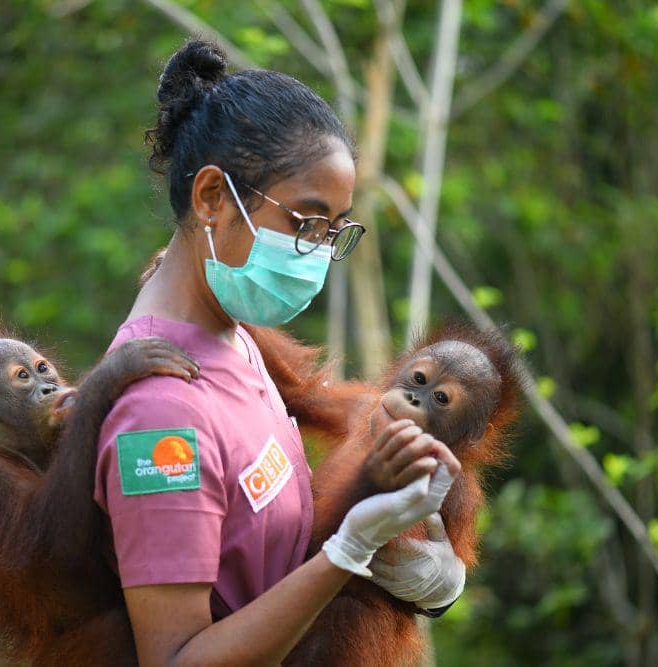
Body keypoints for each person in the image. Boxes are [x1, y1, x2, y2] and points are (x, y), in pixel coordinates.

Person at [93, 39, 465, 666]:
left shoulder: (234, 339)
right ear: (212, 198)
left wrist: (403, 546)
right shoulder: (159, 418)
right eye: (304, 223)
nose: (319, 251)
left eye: (333, 229)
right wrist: (348, 551)